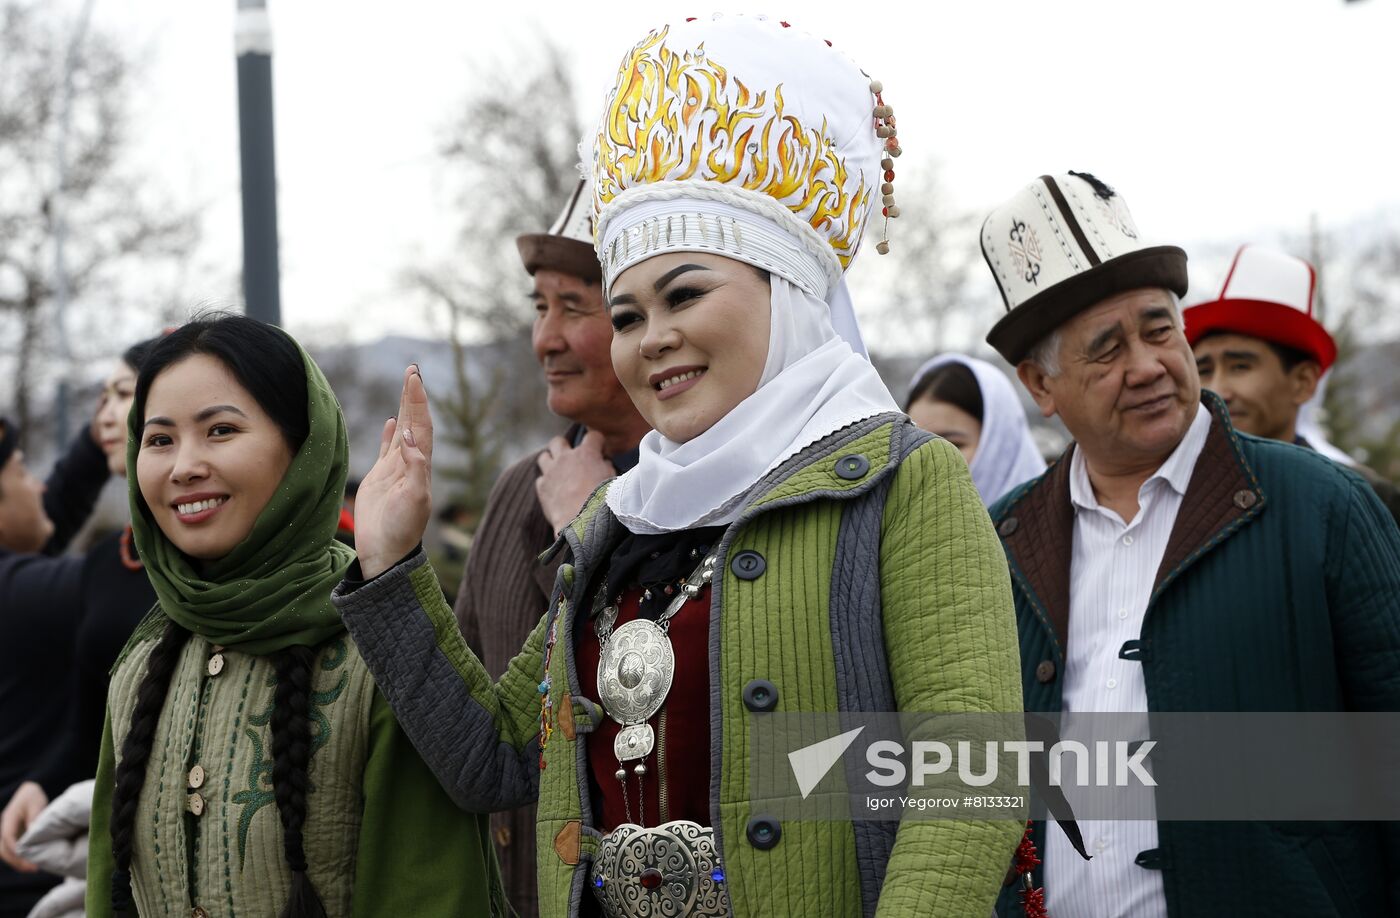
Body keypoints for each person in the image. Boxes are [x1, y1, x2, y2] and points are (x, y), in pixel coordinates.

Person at [337, 15, 1025, 918]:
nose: (652, 338)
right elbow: (491, 757)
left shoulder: (902, 482)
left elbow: (967, 777)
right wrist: (389, 567)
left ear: (788, 294)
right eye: (625, 317)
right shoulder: (618, 522)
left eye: (686, 294)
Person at [978, 171, 1400, 917]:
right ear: (1042, 386)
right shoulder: (1000, 540)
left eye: (1158, 329)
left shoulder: (1320, 505)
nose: (1146, 366)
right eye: (1105, 349)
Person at [83, 315, 505, 917]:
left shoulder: (385, 648)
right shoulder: (143, 660)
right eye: (159, 439)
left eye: (221, 430)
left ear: (302, 445)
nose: (184, 467)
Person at [454, 179, 650, 917]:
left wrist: (592, 521)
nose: (546, 338)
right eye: (540, 308)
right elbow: (472, 718)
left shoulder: (709, 494)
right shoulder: (514, 495)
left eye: (575, 307)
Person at [0, 340, 162, 909]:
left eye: (121, 394)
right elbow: (89, 715)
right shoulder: (100, 569)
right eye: (102, 397)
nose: (103, 416)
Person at [1185, 243, 1400, 524]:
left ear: (1303, 381)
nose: (1218, 390)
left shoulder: (1366, 500)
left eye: (1240, 366)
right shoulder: (1171, 491)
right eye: (1204, 370)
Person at [905, 354, 1046, 505]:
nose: (926, 462)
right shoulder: (891, 524)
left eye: (952, 445)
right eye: (914, 447)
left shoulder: (1061, 521)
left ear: (998, 445)